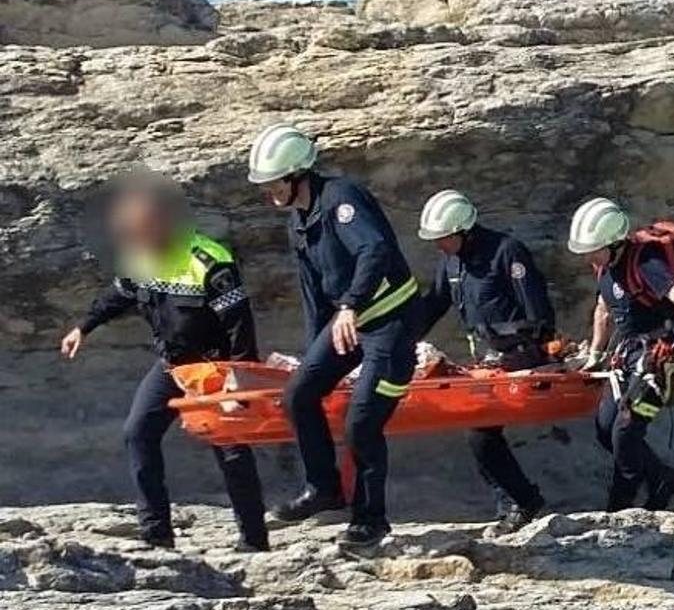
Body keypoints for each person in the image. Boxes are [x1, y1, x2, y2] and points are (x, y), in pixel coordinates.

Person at [59, 176, 268, 551]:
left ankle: (254, 539)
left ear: (162, 224)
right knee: (137, 432)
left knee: (230, 447)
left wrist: (240, 380)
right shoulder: (138, 256)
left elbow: (240, 328)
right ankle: (157, 536)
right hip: (172, 366)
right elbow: (119, 294)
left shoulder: (209, 261)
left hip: (215, 369)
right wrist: (84, 327)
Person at [248, 123, 421, 548]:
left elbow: (374, 250)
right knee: (298, 395)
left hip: (392, 323)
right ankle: (324, 488)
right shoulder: (300, 220)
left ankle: (370, 519)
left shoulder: (341, 198)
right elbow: (313, 292)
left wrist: (350, 305)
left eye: (272, 182)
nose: (267, 190)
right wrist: (314, 356)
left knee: (361, 423)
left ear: (295, 175)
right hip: (350, 321)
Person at [568, 197, 674, 512]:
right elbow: (603, 310)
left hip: (662, 357)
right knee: (605, 430)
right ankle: (661, 478)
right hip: (629, 355)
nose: (588, 256)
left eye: (594, 249)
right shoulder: (604, 267)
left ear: (614, 243)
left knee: (625, 434)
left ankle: (619, 505)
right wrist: (595, 353)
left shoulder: (645, 264)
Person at [416, 189, 550, 531]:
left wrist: (511, 347)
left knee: (479, 432)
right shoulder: (451, 262)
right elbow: (433, 305)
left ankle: (519, 502)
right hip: (485, 365)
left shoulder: (506, 252)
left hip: (516, 358)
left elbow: (539, 316)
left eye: (442, 237)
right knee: (478, 432)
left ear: (464, 230)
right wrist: (398, 338)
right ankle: (517, 501)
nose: (438, 245)